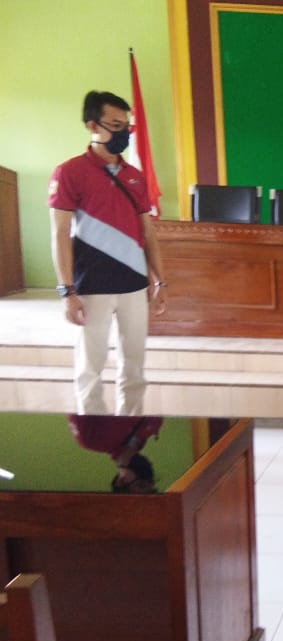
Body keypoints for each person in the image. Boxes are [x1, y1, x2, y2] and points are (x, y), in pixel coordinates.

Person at [48, 90, 167, 415]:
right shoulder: (70, 172)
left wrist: (161, 281)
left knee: (134, 368)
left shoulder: (135, 177)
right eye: (115, 125)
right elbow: (59, 234)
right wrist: (67, 291)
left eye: (126, 126)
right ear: (92, 126)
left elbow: (148, 233)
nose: (122, 133)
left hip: (134, 285)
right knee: (90, 368)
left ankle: (131, 429)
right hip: (93, 286)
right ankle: (94, 428)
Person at [67, 414, 164, 493]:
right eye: (151, 482)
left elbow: (75, 398)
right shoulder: (152, 428)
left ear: (121, 481)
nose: (147, 476)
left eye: (141, 484)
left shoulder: (90, 438)